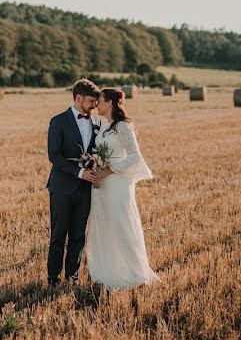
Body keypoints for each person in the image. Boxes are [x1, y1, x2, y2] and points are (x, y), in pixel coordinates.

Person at [87, 87, 159, 290]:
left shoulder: (123, 126)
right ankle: (107, 270)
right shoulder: (102, 125)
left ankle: (132, 272)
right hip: (100, 184)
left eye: (99, 101)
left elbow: (135, 156)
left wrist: (110, 169)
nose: (96, 105)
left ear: (109, 102)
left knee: (120, 224)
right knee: (103, 225)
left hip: (117, 183)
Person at [45, 78, 101, 286]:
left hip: (86, 189)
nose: (94, 106)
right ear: (78, 98)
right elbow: (54, 156)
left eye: (96, 102)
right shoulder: (57, 121)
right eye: (90, 101)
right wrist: (79, 172)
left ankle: (73, 277)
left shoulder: (96, 123)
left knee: (78, 236)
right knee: (58, 235)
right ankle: (53, 279)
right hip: (62, 187)